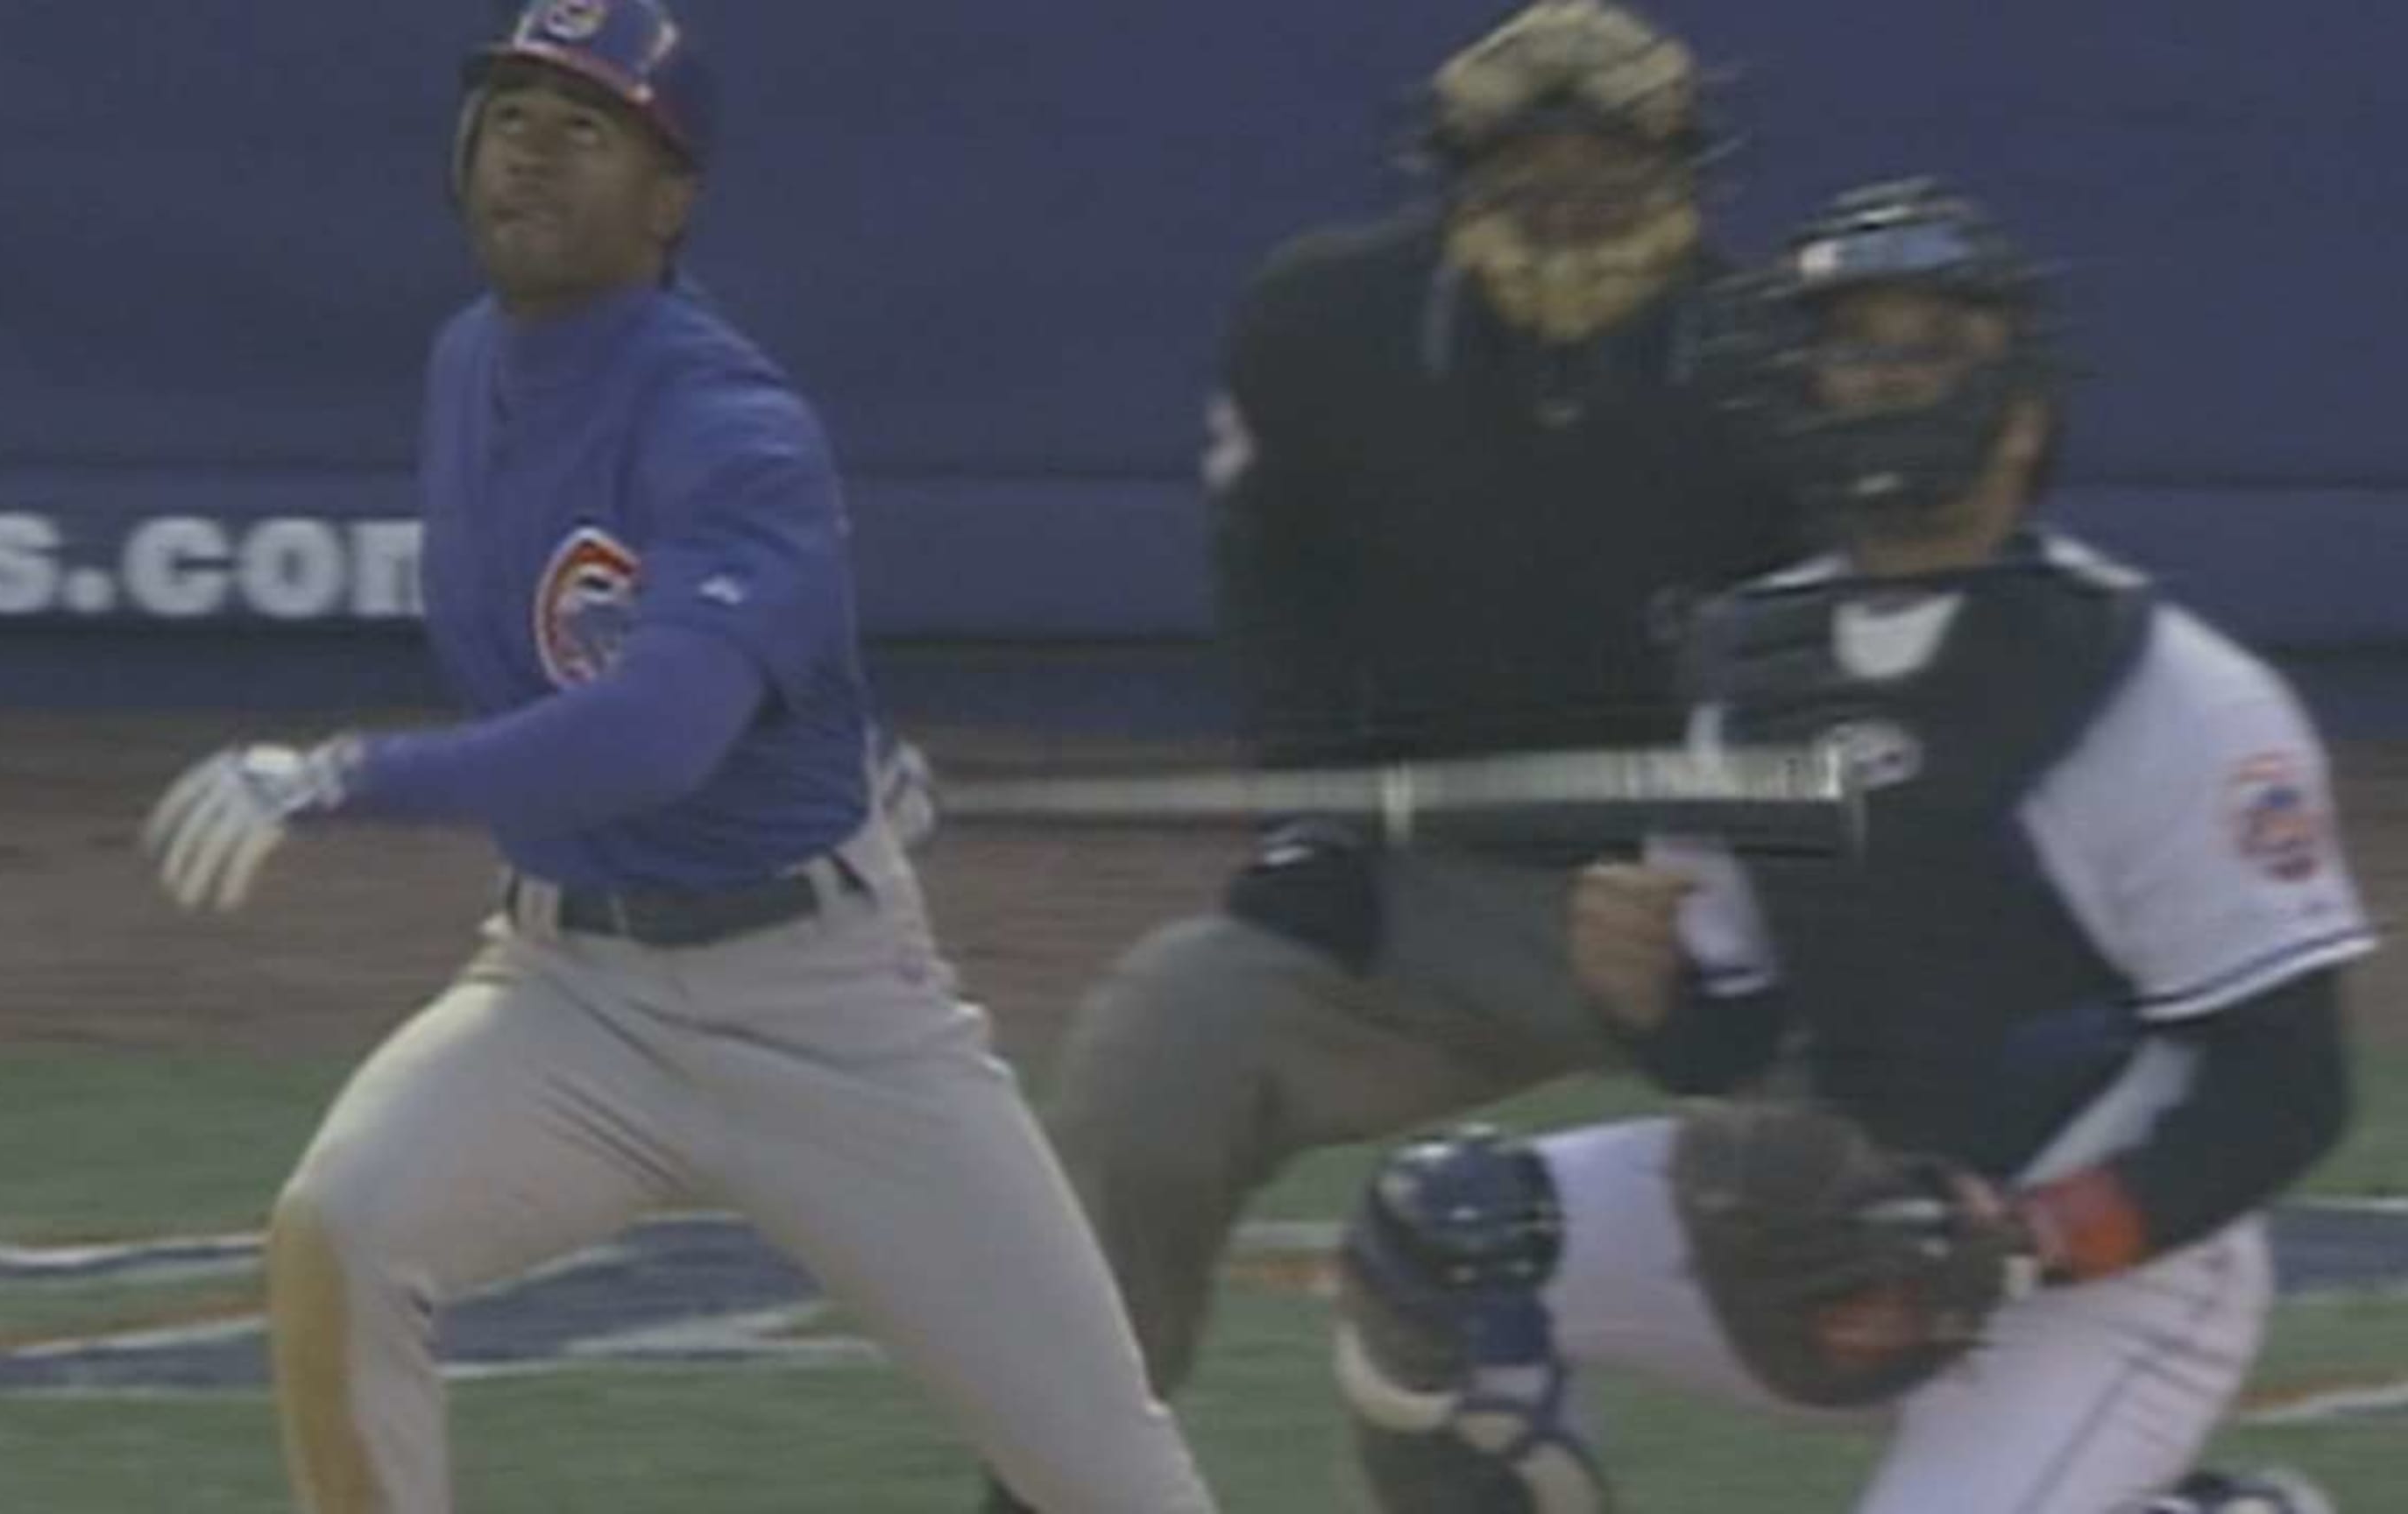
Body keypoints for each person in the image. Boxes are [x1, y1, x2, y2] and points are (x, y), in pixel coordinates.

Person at [138, 4, 1216, 1510]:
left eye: (586, 128)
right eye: (509, 111)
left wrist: (342, 776)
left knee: (1105, 1473)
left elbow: (656, 733)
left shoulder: (732, 419)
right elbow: (633, 670)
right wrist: (842, 738)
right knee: (346, 1227)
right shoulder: (469, 363)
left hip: (825, 1013)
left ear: (672, 199)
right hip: (568, 988)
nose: (529, 150)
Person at [1329, 178, 2366, 1513]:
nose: (1883, 379)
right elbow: (1728, 1046)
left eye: (1928, 345)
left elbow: (2287, 1087)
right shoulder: (1752, 669)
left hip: (2115, 1271)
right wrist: (1650, 996)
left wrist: (2033, 1237)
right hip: (1833, 1233)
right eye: (1852, 346)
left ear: (2025, 411)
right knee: (1445, 1237)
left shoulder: (2166, 691)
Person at [984, 7, 1801, 1505]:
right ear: (1451, 174)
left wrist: (1737, 912)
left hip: (1712, 894)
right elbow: (1273, 592)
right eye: (1524, 166)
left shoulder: (1780, 367)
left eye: (1607, 164)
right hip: (1429, 885)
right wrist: (1317, 824)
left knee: (1908, 1133)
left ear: (1688, 167)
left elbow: (1833, 684)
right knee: (1163, 1044)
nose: (1568, 204)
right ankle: (1056, 1478)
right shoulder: (1321, 327)